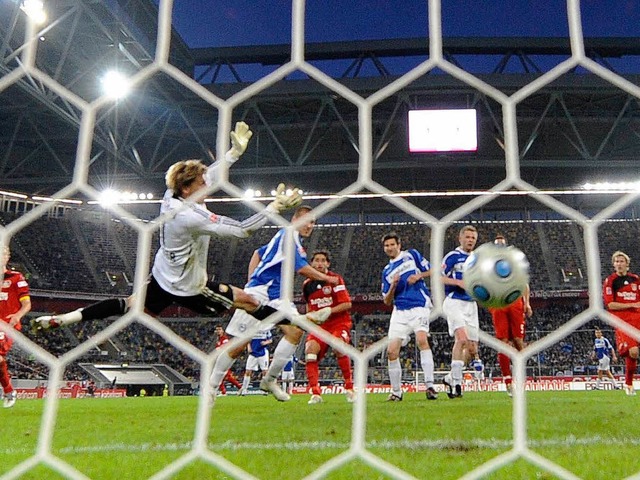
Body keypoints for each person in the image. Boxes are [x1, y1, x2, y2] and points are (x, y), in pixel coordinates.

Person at [31, 122, 307, 336]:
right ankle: (301, 323)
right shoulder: (190, 217)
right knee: (247, 301)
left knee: (130, 305)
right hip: (188, 288)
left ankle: (65, 318)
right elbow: (242, 230)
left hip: (162, 276)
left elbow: (210, 173)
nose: (207, 185)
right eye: (201, 184)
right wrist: (272, 209)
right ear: (188, 189)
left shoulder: (172, 195)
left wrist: (233, 154)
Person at [209, 205, 338, 402]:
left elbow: (259, 253)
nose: (310, 225)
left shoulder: (292, 240)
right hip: (260, 292)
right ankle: (211, 387)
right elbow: (301, 267)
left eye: (313, 222)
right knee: (238, 345)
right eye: (307, 220)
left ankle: (269, 380)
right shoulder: (288, 235)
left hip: (278, 297)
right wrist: (327, 278)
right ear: (295, 220)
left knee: (295, 332)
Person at [380, 232, 437, 402]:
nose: (389, 248)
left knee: (421, 340)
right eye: (386, 246)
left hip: (419, 305)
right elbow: (386, 300)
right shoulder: (386, 271)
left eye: (392, 244)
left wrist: (419, 275)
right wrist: (393, 286)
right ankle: (396, 392)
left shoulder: (412, 255)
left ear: (399, 245)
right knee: (391, 351)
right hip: (399, 311)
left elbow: (434, 270)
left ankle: (430, 386)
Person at [303, 250, 355, 404]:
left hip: (339, 323)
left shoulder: (335, 280)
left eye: (322, 260)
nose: (319, 263)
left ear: (328, 263)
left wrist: (328, 311)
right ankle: (315, 394)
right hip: (320, 327)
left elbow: (347, 304)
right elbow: (309, 306)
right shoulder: (307, 284)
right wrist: (311, 319)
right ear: (311, 263)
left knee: (338, 346)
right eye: (316, 260)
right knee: (310, 351)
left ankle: (350, 389)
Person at [488, 234, 533, 396]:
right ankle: (508, 382)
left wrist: (527, 303)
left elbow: (524, 283)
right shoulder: (487, 264)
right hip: (499, 303)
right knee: (503, 342)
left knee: (518, 341)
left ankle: (521, 379)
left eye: (502, 244)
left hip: (515, 302)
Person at [441, 225, 479, 399]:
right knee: (461, 340)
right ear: (460, 238)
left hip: (471, 305)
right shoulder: (453, 257)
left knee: (472, 350)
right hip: (454, 301)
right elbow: (439, 277)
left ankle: (450, 377)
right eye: (468, 237)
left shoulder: (477, 259)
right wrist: (458, 283)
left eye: (473, 237)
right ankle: (457, 385)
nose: (470, 240)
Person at [602, 250, 640, 396]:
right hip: (623, 321)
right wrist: (633, 305)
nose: (619, 264)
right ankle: (629, 384)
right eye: (616, 262)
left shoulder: (635, 279)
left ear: (627, 264)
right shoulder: (610, 281)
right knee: (633, 352)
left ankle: (628, 384)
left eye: (621, 261)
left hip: (638, 318)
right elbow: (610, 305)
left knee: (633, 355)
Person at [0, 246, 31, 408]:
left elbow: (27, 304)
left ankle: (8, 391)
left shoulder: (15, 278)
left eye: (2, 253)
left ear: (7, 257)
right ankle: (8, 390)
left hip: (7, 325)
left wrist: (17, 315)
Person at [239, 328, 272, 395]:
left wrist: (265, 342)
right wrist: (248, 347)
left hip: (263, 353)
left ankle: (264, 389)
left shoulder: (266, 329)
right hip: (253, 353)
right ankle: (245, 389)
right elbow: (247, 339)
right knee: (248, 371)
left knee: (264, 371)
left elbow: (270, 340)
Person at [213, 324, 243, 395]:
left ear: (223, 331)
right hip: (221, 359)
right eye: (217, 330)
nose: (218, 331)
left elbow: (226, 348)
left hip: (225, 359)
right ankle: (239, 388)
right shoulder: (218, 340)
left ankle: (226, 392)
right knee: (225, 376)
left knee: (223, 376)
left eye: (219, 329)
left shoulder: (225, 339)